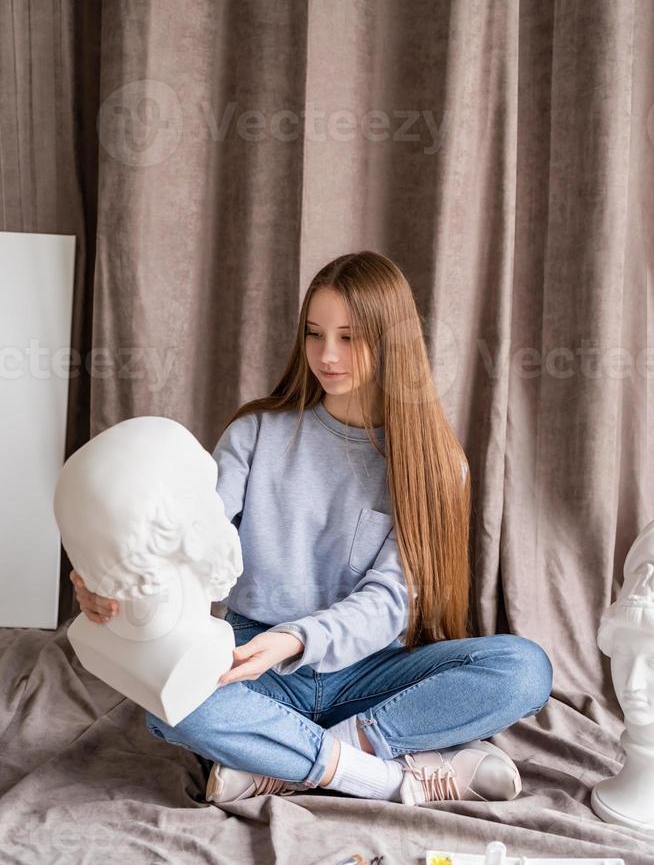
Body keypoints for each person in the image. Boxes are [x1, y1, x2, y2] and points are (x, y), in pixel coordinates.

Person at [71, 250, 553, 806]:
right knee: (171, 705)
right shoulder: (256, 433)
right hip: (252, 660)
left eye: (349, 337)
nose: (327, 355)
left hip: (368, 671)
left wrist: (296, 639)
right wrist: (114, 576)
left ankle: (285, 762)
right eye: (315, 333)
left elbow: (391, 601)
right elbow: (190, 540)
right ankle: (388, 776)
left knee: (523, 669)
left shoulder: (434, 466)